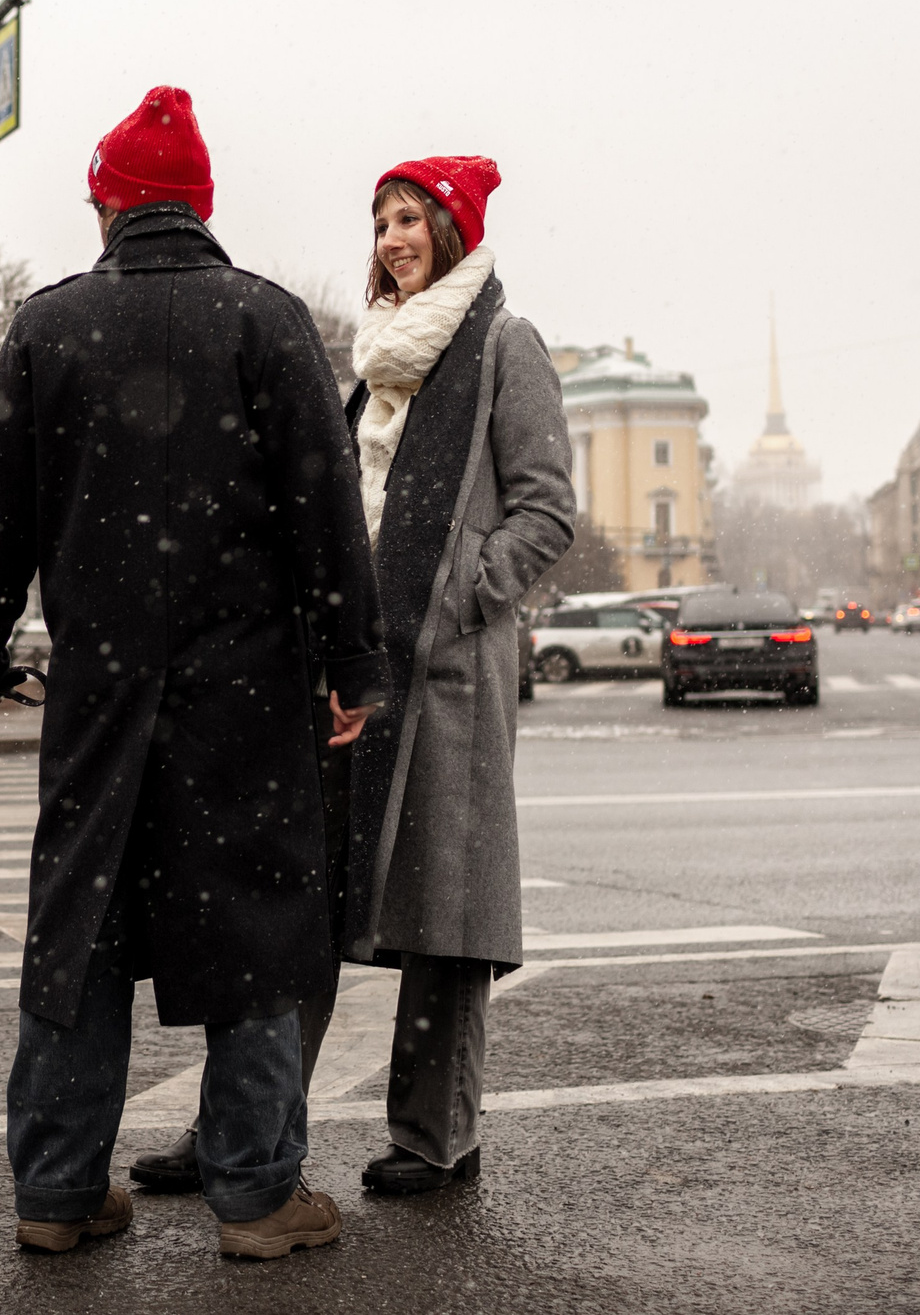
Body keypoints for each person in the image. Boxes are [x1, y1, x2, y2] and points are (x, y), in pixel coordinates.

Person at [0, 86, 388, 1260]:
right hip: (243, 690)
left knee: (77, 933)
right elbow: (325, 509)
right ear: (199, 206)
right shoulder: (265, 320)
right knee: (254, 930)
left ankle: (57, 1187)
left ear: (107, 205)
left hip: (99, 688)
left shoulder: (47, 326)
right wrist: (350, 660)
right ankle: (254, 1197)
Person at [340, 156, 574, 1194]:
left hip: (447, 672)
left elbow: (547, 508)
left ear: (450, 228)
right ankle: (242, 1127)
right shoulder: (378, 359)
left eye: (409, 219)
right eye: (381, 221)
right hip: (357, 664)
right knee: (313, 893)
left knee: (447, 906)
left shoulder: (501, 344)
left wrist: (471, 585)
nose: (392, 238)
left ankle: (438, 1137)